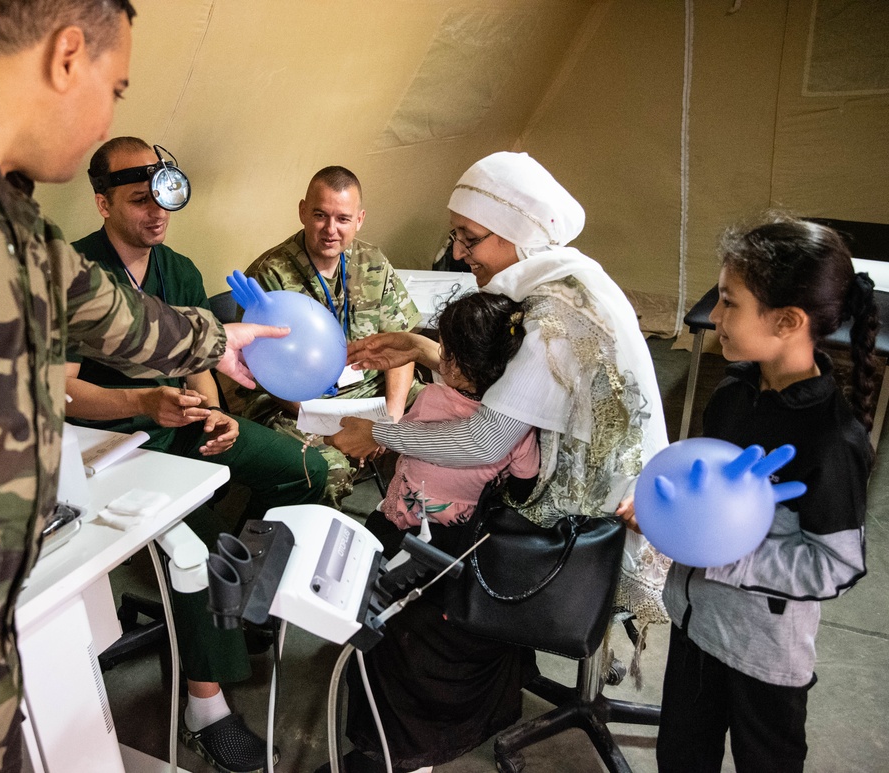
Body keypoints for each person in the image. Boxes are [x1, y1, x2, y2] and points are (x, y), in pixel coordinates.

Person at [0, 5, 286, 772]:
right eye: (119, 89)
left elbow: (106, 310)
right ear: (68, 56)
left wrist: (216, 340)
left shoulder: (4, 205)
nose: (109, 112)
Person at [326, 152, 670, 772]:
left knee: (414, 598)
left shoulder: (555, 316)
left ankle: (405, 749)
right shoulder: (568, 280)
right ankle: (490, 693)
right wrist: (425, 348)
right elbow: (503, 387)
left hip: (585, 522)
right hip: (578, 494)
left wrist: (381, 431)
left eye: (471, 236)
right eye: (457, 234)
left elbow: (485, 440)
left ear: (520, 231)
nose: (460, 253)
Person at [66, 136, 328, 772]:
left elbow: (200, 359)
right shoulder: (73, 273)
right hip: (112, 447)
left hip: (179, 425)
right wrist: (144, 402)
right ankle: (204, 706)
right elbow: (65, 394)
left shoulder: (177, 268)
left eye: (162, 201)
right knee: (197, 553)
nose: (156, 215)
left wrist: (211, 409)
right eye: (137, 201)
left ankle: (240, 596)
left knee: (305, 469)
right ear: (101, 203)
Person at [642, 217, 873, 773]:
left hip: (763, 654)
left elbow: (835, 567)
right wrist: (671, 513)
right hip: (694, 624)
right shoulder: (734, 393)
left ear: (789, 321)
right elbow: (711, 500)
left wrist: (724, 555)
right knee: (680, 755)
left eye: (729, 302)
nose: (714, 316)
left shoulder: (831, 440)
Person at [241, 166, 423, 505]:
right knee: (324, 473)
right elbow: (266, 375)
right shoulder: (270, 276)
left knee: (445, 418)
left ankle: (420, 526)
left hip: (371, 390)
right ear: (302, 212)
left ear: (359, 219)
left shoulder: (373, 263)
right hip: (299, 404)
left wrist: (393, 419)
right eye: (320, 215)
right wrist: (335, 425)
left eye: (342, 218)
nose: (330, 229)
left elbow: (401, 347)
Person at [375, 291, 538, 536]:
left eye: (443, 350)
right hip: (466, 524)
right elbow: (523, 483)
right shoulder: (518, 424)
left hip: (411, 514)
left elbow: (405, 439)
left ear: (456, 363)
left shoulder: (432, 397)